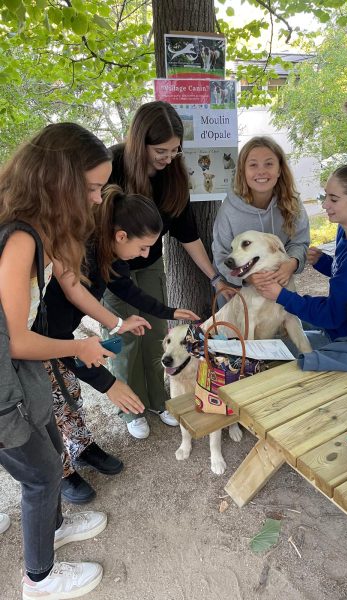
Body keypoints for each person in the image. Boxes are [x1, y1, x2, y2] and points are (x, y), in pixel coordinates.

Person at [0, 123, 139, 599]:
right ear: (58, 180)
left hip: (17, 375)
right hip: (3, 378)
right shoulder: (18, 240)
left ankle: (54, 526)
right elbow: (16, 339)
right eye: (93, 188)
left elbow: (73, 283)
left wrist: (112, 324)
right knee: (40, 475)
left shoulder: (44, 228)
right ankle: (38, 580)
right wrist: (80, 347)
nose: (99, 199)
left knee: (52, 435)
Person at [43, 184, 199, 502]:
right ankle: (61, 473)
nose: (145, 256)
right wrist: (109, 383)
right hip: (35, 341)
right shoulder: (79, 259)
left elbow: (128, 290)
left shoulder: (106, 253)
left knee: (69, 394)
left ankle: (82, 447)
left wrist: (166, 311)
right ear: (121, 236)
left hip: (60, 335)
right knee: (47, 405)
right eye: (143, 248)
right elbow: (56, 341)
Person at [103, 101, 230, 439]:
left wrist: (215, 277)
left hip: (149, 263)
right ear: (139, 141)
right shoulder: (111, 165)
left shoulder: (173, 174)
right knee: (126, 338)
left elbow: (188, 233)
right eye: (161, 150)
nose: (169, 157)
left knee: (157, 332)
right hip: (110, 268)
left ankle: (159, 401)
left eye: (176, 150)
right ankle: (132, 407)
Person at [257, 163, 347, 348]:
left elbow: (332, 316)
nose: (325, 204)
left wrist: (282, 295)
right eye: (326, 195)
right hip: (341, 323)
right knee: (283, 322)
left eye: (333, 199)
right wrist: (323, 262)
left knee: (269, 346)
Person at [212, 136, 310, 297]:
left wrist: (291, 263)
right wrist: (249, 278)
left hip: (280, 289)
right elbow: (221, 254)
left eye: (269, 164)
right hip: (240, 294)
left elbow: (300, 242)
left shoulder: (292, 203)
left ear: (279, 169)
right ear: (243, 171)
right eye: (253, 165)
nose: (261, 171)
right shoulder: (229, 209)